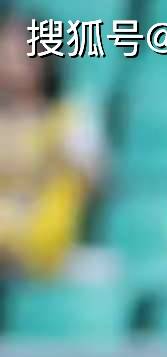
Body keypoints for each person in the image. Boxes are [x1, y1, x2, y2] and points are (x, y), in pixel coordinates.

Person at [0, 9, 105, 280]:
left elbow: (97, 182)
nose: (10, 64)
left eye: (20, 55)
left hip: (48, 243)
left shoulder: (70, 118)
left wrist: (63, 155)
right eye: (5, 54)